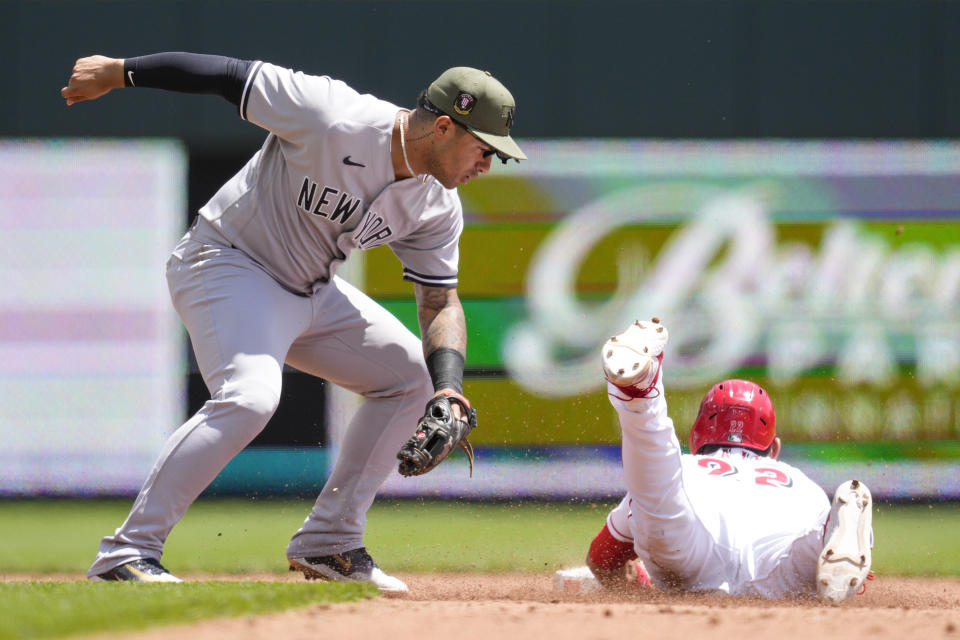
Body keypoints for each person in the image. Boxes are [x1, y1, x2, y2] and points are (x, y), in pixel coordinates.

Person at [61, 52, 526, 592]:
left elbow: (439, 303)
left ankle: (329, 543)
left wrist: (450, 391)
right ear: (444, 127)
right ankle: (127, 552)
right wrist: (121, 71)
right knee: (250, 398)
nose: (487, 164)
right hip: (228, 263)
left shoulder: (436, 206)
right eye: (484, 148)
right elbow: (229, 76)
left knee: (413, 381)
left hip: (313, 291)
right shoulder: (334, 115)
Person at [584, 318, 873, 604]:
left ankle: (641, 398)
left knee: (659, 503)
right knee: (805, 553)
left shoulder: (686, 468)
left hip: (691, 557)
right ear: (774, 449)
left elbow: (602, 558)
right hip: (779, 570)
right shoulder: (802, 484)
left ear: (696, 438)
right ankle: (832, 531)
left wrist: (641, 586)